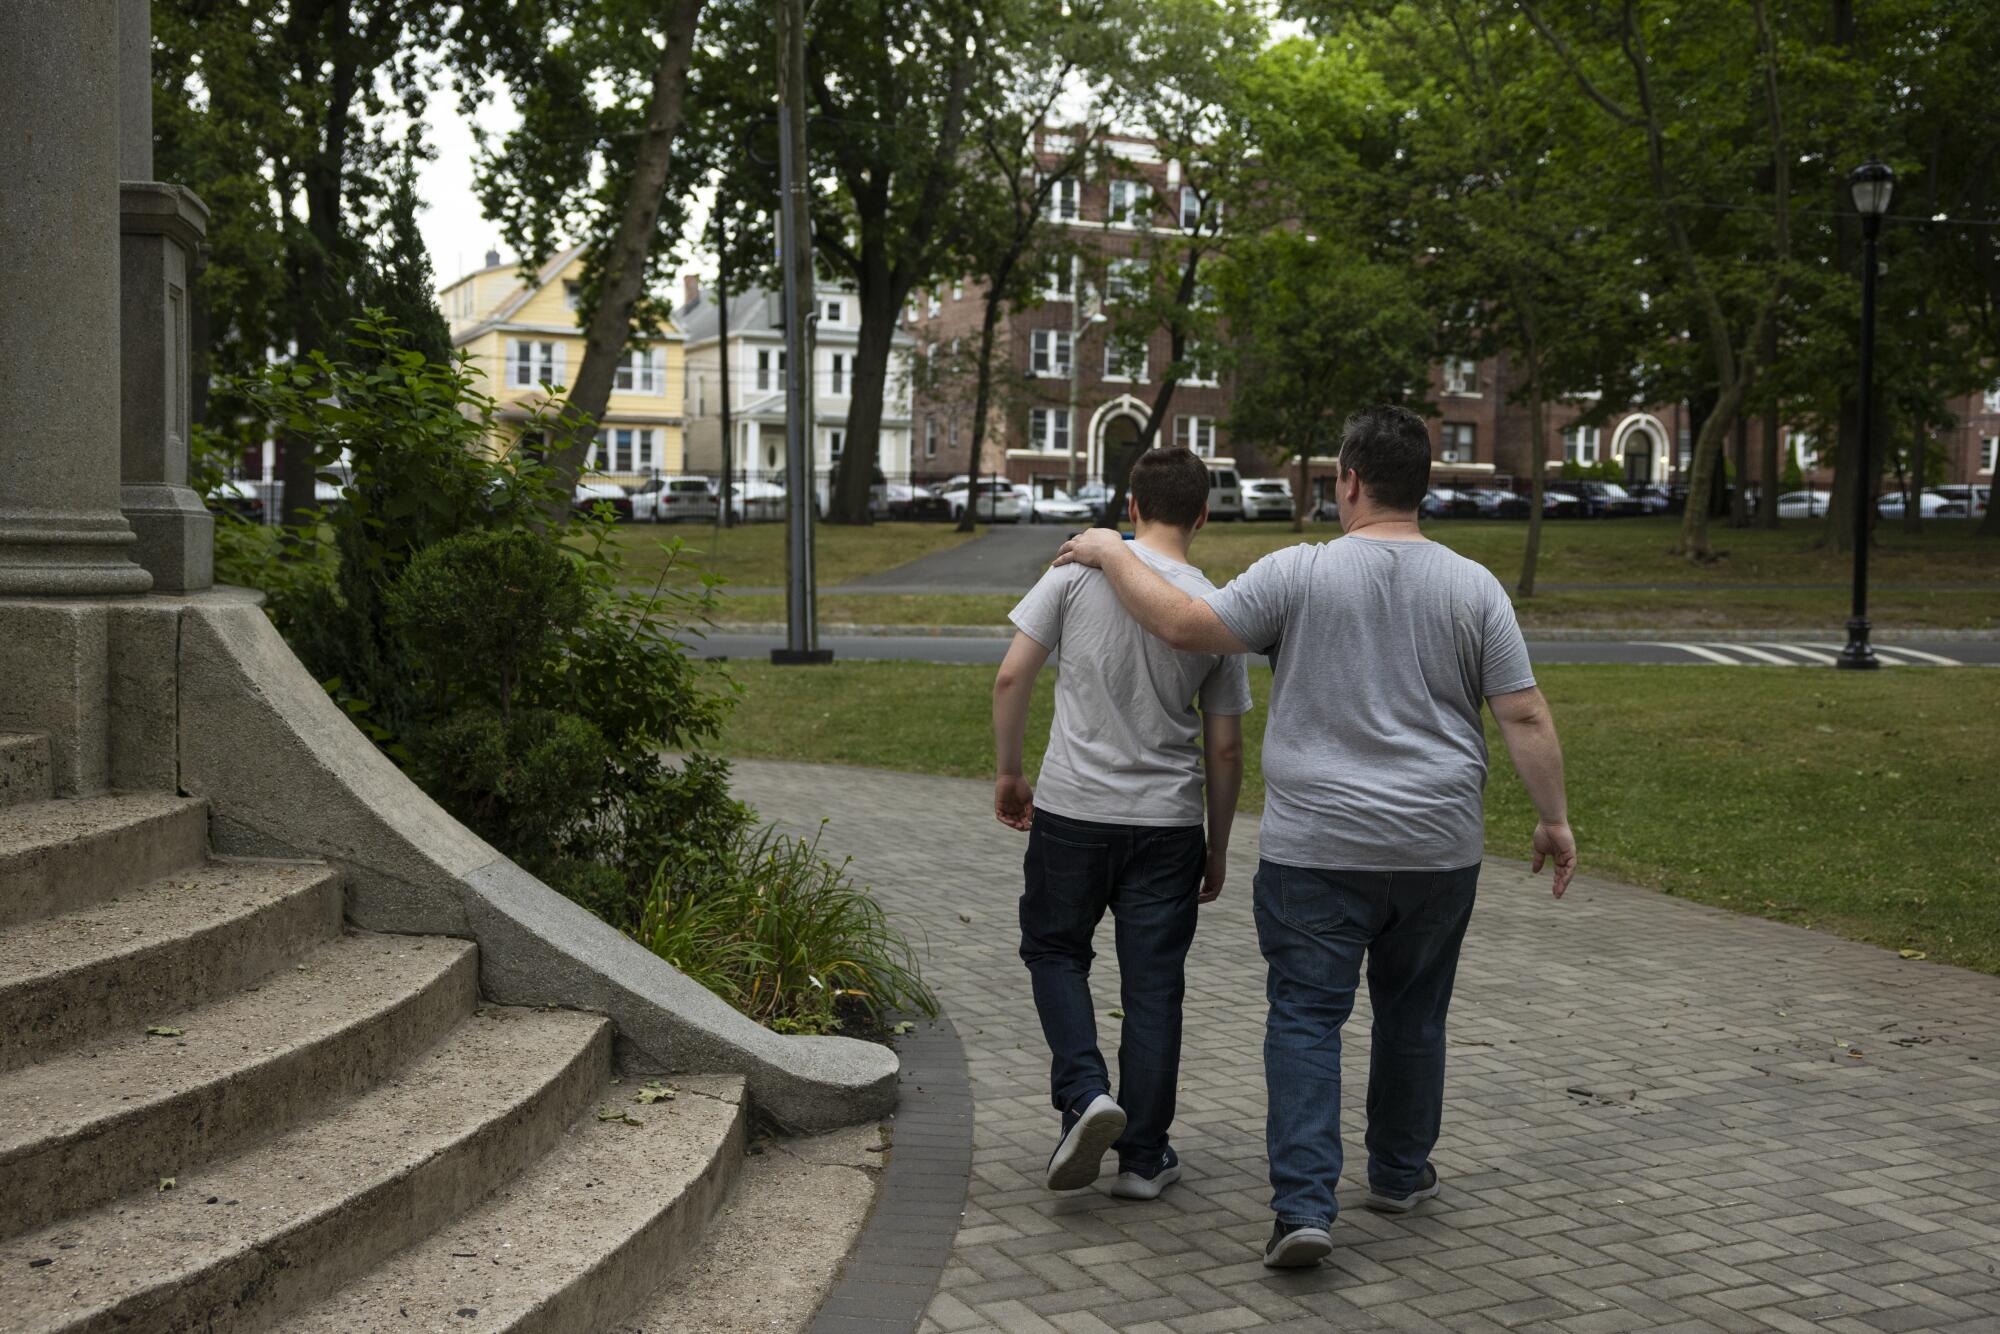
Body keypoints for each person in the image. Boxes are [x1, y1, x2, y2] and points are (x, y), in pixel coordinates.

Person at [1055, 405, 1576, 1268]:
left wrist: (1111, 549)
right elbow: (1522, 710)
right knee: (1413, 1014)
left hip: (1315, 848)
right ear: (1426, 484)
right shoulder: (1474, 584)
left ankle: (1303, 1208)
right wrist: (1553, 818)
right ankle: (1401, 1175)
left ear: (1350, 482)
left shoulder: (1298, 570)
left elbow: (1187, 624)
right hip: (1437, 847)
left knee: (1304, 1019)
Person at [993, 446, 1252, 1201]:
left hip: (1073, 811)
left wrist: (1011, 772)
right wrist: (1218, 844)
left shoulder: (1074, 572)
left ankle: (1084, 1093)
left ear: (1131, 507)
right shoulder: (1215, 607)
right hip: (1168, 824)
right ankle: (1144, 1157)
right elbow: (1226, 745)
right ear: (1204, 515)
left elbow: (1013, 674)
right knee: (1154, 988)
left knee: (1053, 951)